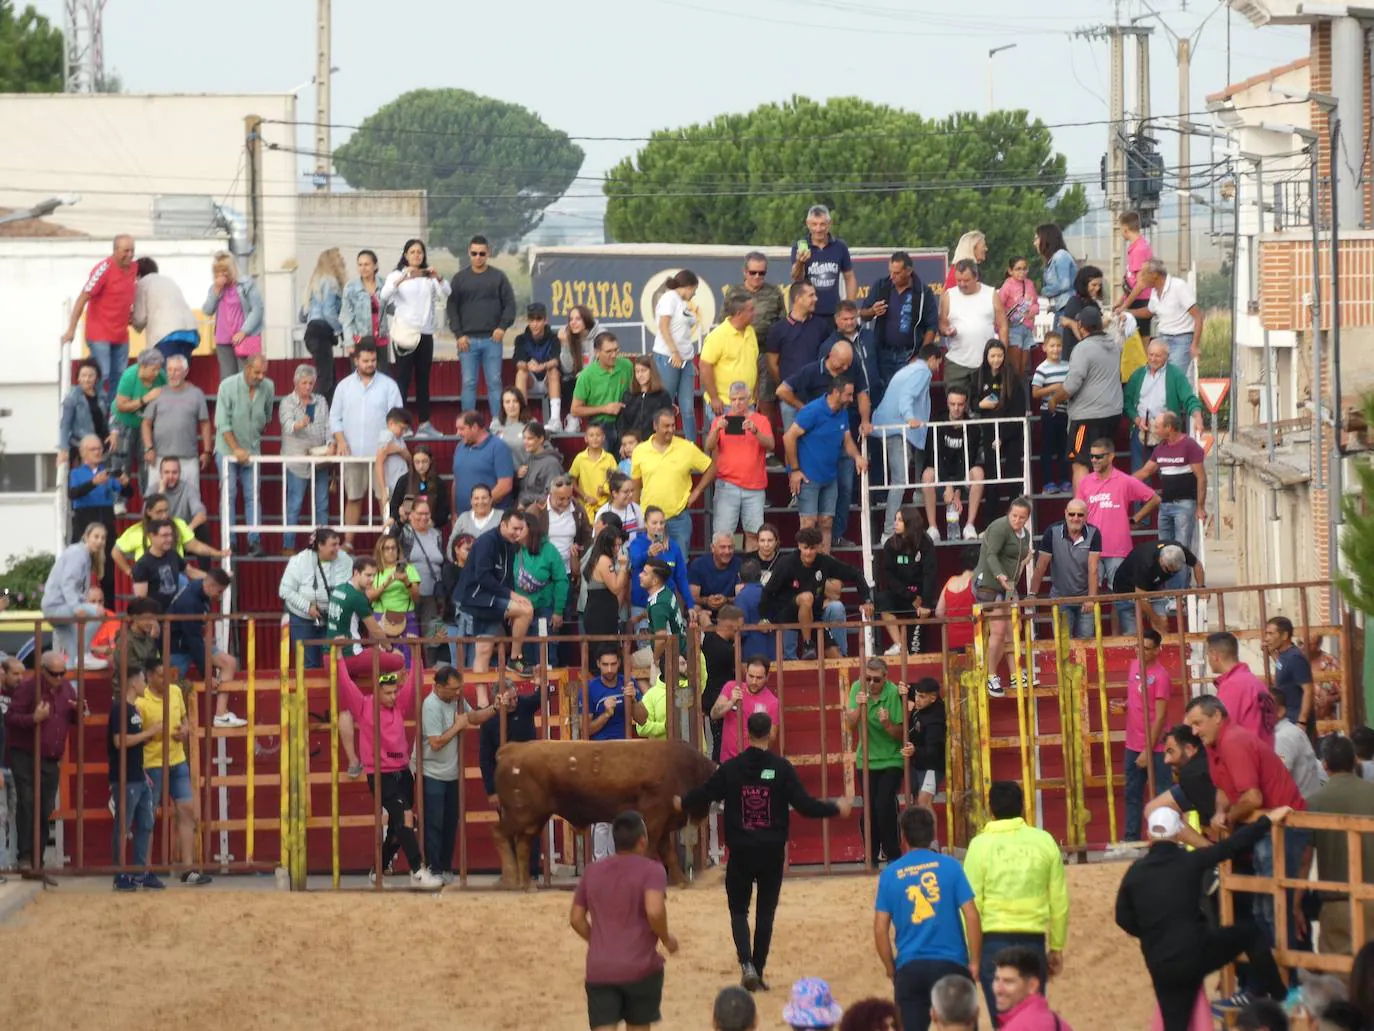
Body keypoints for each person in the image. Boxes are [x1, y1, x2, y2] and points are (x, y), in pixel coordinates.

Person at [678, 711, 850, 991]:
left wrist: (681, 802)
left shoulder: (731, 768)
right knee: (765, 914)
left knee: (738, 910)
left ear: (747, 734)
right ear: (770, 733)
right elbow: (805, 806)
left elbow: (705, 794)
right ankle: (757, 968)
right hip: (771, 851)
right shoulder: (781, 768)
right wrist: (835, 808)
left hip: (741, 850)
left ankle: (745, 964)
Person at [1115, 803, 1293, 1031]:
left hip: (1159, 962)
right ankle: (1281, 997)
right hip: (1196, 953)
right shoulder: (1190, 861)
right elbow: (1231, 846)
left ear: (1149, 834)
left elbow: (1122, 918)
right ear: (1179, 833)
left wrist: (1151, 932)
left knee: (1175, 1024)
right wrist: (1267, 820)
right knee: (1251, 932)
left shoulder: (1135, 872)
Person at [1185, 694, 1309, 975]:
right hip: (1270, 828)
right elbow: (1223, 790)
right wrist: (1221, 812)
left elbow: (1252, 798)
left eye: (1198, 723)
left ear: (1217, 716)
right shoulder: (1219, 744)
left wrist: (1226, 818)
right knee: (1268, 907)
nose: (1194, 731)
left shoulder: (1232, 742)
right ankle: (1276, 982)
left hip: (1282, 828)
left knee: (1272, 908)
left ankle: (1285, 982)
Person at [963, 782, 1068, 1025]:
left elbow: (970, 907)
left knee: (1004, 1023)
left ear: (991, 809)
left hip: (992, 943)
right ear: (1023, 807)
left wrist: (974, 955)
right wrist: (1057, 946)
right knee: (1033, 1021)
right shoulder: (1044, 841)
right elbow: (1059, 900)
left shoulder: (979, 846)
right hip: (1033, 942)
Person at [336, 661, 444, 888]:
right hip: (381, 775)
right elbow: (346, 685)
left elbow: (413, 683)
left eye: (395, 692)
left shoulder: (399, 706)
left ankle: (377, 873)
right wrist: (338, 659)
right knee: (405, 818)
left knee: (399, 827)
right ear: (377, 691)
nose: (393, 697)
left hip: (403, 773)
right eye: (388, 693)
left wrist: (417, 656)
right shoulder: (364, 706)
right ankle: (418, 870)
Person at [569, 810, 679, 1031]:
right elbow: (655, 911)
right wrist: (667, 939)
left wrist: (598, 939)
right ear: (642, 841)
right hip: (640, 967)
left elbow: (576, 919)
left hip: (600, 967)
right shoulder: (652, 870)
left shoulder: (592, 871)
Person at [875, 806, 982, 1031]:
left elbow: (880, 929)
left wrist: (890, 968)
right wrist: (975, 961)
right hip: (952, 965)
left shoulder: (890, 874)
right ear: (933, 835)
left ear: (903, 836)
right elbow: (971, 915)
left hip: (910, 967)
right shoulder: (951, 866)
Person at [135, 661, 212, 885]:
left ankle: (188, 869)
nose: (165, 680)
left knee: (186, 809)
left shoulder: (176, 691)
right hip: (152, 763)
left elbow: (185, 721)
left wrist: (186, 730)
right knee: (147, 816)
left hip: (177, 759)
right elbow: (136, 736)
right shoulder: (141, 702)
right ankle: (144, 870)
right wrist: (152, 733)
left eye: (166, 675)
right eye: (160, 676)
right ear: (149, 677)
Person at [1073, 437, 1159, 628]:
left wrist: (1135, 518)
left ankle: (1128, 646)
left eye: (1098, 457)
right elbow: (1076, 511)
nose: (1094, 460)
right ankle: (1088, 651)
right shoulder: (1086, 483)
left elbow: (1154, 498)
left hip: (1119, 551)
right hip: (1092, 551)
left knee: (1124, 604)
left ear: (1111, 456)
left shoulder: (1124, 480)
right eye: (1092, 457)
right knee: (1088, 603)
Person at [4, 653, 78, 871]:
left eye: (62, 673)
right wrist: (33, 719)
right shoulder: (28, 688)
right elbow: (10, 718)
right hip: (25, 754)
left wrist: (78, 712)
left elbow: (70, 717)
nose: (59, 677)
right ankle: (26, 857)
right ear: (43, 670)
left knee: (45, 807)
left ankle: (38, 857)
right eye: (55, 674)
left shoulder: (67, 689)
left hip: (50, 758)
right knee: (27, 804)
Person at [421, 665, 494, 884]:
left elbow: (473, 717)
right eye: (453, 689)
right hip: (432, 771)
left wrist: (495, 708)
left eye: (460, 688)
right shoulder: (430, 705)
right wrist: (458, 726)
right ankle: (434, 868)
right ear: (438, 687)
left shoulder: (456, 700)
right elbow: (435, 743)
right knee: (434, 823)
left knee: (450, 821)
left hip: (451, 772)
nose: (458, 693)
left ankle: (443, 867)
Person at [330, 339, 404, 550]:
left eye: (373, 360)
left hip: (382, 455)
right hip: (352, 453)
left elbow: (397, 419)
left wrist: (387, 445)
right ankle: (348, 543)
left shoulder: (389, 385)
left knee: (385, 499)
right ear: (356, 360)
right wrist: (341, 440)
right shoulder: (344, 386)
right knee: (353, 497)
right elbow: (334, 418)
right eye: (366, 360)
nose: (370, 364)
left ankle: (388, 543)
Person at [1305, 735, 1374, 955]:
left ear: (1324, 764)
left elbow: (1305, 859)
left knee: (1338, 977)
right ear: (1355, 760)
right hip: (1372, 895)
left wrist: (1295, 901)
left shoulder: (1314, 802)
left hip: (1336, 903)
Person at [761, 526, 871, 661]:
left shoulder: (824, 562)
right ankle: (808, 645)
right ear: (799, 546)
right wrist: (764, 618)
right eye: (805, 548)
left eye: (812, 549)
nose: (808, 553)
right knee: (807, 597)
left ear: (819, 547)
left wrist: (867, 600)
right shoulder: (786, 563)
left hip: (813, 617)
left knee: (838, 658)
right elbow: (768, 591)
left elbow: (854, 573)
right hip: (787, 614)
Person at [784, 378, 868, 554]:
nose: (851, 399)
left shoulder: (842, 411)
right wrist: (795, 470)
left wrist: (857, 457)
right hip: (808, 477)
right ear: (836, 393)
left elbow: (847, 440)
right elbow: (788, 437)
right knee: (808, 524)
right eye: (848, 395)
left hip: (830, 477)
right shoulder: (812, 411)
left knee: (827, 522)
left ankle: (824, 566)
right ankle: (806, 569)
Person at [454, 510, 535, 681]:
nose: (518, 533)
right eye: (515, 528)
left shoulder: (511, 544)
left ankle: (482, 702)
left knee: (483, 650)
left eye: (521, 529)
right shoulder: (486, 542)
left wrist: (510, 597)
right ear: (503, 524)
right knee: (526, 610)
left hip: (491, 599)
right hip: (478, 598)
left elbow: (508, 578)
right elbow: (483, 576)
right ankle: (514, 659)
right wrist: (511, 596)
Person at [872, 346, 943, 541]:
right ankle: (888, 531)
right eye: (938, 362)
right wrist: (910, 417)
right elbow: (907, 398)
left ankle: (919, 492)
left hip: (889, 426)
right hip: (898, 428)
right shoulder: (922, 371)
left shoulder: (908, 369)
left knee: (901, 477)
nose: (938, 367)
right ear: (932, 359)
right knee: (900, 480)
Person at [61, 234, 137, 411]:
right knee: (102, 375)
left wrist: (131, 312)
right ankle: (95, 411)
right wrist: (71, 329)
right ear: (115, 250)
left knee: (120, 378)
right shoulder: (104, 269)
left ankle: (112, 416)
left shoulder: (134, 268)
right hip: (99, 334)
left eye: (132, 250)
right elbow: (82, 298)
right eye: (126, 250)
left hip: (121, 334)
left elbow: (129, 293)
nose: (130, 254)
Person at [1051, 307, 1124, 489]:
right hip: (1112, 415)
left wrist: (1054, 400)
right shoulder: (1114, 346)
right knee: (1104, 464)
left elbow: (1071, 385)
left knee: (1080, 462)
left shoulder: (1082, 349)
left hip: (1086, 419)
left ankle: (1081, 513)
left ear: (1081, 326)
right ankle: (1105, 510)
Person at [384, 238, 451, 436]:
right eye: (412, 252)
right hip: (405, 334)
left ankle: (424, 423)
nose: (416, 255)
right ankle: (401, 424)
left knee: (423, 380)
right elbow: (385, 295)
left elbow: (446, 292)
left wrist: (437, 277)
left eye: (419, 252)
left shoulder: (428, 277)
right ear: (405, 255)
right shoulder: (397, 274)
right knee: (403, 379)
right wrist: (402, 278)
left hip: (425, 333)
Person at [1113, 628, 1173, 843]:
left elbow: (1160, 716)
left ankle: (1163, 839)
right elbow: (1140, 701)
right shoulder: (1134, 666)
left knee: (1161, 795)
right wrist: (1126, 705)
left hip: (1155, 748)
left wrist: (1147, 749)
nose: (1141, 652)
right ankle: (1131, 840)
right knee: (1132, 794)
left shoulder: (1161, 676)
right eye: (1139, 647)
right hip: (1133, 744)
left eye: (1147, 648)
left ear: (1157, 650)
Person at [845, 658, 907, 866]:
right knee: (869, 809)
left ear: (885, 678)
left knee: (883, 804)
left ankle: (893, 854)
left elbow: (901, 734)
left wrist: (887, 724)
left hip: (891, 758)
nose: (871, 684)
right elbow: (850, 725)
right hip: (867, 759)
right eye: (867, 679)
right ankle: (871, 854)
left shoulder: (892, 693)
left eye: (876, 680)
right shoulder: (857, 688)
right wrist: (860, 708)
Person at [448, 234, 516, 420]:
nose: (478, 257)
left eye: (482, 253)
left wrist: (502, 327)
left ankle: (497, 422)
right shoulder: (459, 279)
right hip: (466, 341)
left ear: (488, 253)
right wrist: (458, 334)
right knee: (469, 382)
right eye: (474, 253)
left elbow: (510, 304)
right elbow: (451, 308)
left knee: (495, 382)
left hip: (492, 340)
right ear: (469, 253)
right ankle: (468, 423)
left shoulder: (498, 277)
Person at [631, 407, 715, 557]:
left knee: (680, 564)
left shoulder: (686, 447)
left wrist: (697, 492)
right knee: (654, 565)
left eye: (673, 425)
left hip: (678, 518)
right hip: (650, 521)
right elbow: (636, 485)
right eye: (666, 426)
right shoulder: (640, 451)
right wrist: (636, 514)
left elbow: (711, 467)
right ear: (655, 426)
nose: (670, 429)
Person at [973, 498, 1035, 698]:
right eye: (1014, 515)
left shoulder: (1025, 535)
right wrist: (1000, 575)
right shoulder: (999, 527)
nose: (1017, 520)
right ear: (1009, 513)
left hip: (1009, 586)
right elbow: (991, 555)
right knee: (998, 631)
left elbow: (1017, 558)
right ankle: (991, 675)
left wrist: (1024, 562)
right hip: (990, 584)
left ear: (1027, 519)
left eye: (1021, 517)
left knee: (1012, 631)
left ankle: (1016, 673)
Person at [165, 569, 243, 728]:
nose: (220, 595)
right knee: (169, 690)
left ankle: (221, 715)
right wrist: (207, 675)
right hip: (176, 648)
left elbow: (202, 630)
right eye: (220, 591)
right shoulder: (190, 602)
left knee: (229, 663)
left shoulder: (202, 591)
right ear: (211, 585)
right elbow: (193, 642)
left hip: (193, 641)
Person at [108, 660, 162, 891]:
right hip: (125, 777)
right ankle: (120, 874)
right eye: (142, 679)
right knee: (124, 825)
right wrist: (149, 732)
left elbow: (133, 741)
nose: (144, 683)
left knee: (146, 824)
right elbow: (120, 742)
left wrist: (146, 736)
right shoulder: (120, 708)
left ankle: (141, 872)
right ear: (133, 682)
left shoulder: (132, 710)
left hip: (138, 775)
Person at [215, 353, 275, 557]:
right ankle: (229, 541)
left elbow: (267, 416)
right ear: (247, 368)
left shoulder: (268, 386)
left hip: (252, 449)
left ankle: (254, 541)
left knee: (253, 496)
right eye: (257, 372)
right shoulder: (227, 386)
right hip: (226, 450)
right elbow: (222, 423)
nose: (261, 377)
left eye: (263, 373)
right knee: (229, 494)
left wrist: (253, 440)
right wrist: (236, 449)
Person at [1134, 411, 1207, 579]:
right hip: (1165, 506)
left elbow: (1201, 478)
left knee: (1180, 551)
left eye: (1158, 427)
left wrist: (1200, 507)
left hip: (1185, 505)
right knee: (1165, 552)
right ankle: (1171, 595)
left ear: (1169, 428)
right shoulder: (1160, 448)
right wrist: (1120, 481)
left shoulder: (1190, 446)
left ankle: (1180, 596)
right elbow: (1145, 472)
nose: (1154, 429)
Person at [725, 252, 787, 439]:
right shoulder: (734, 293)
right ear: (744, 272)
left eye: (762, 273)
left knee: (767, 399)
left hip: (766, 352)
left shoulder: (774, 292)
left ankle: (768, 449)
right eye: (753, 272)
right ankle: (737, 440)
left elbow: (782, 323)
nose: (757, 277)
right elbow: (724, 322)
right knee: (739, 398)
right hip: (740, 353)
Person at [706, 382, 773, 551]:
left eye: (741, 399)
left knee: (753, 534)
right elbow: (708, 446)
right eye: (734, 399)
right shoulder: (719, 421)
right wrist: (716, 430)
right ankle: (726, 575)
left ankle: (750, 572)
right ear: (729, 400)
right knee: (723, 536)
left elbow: (771, 445)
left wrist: (756, 431)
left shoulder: (761, 420)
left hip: (754, 487)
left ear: (749, 398)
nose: (737, 403)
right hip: (727, 485)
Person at [279, 528, 354, 669]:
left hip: (333, 616)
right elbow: (285, 590)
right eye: (333, 545)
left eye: (339, 543)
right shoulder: (299, 560)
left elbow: (348, 588)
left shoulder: (345, 560)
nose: (338, 548)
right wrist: (307, 607)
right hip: (301, 616)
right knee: (308, 664)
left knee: (333, 662)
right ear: (320, 545)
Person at [1124, 342, 1205, 470]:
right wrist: (1137, 419)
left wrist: (1197, 416)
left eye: (1158, 356)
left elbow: (1189, 398)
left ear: (1167, 356)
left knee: (1168, 473)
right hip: (1141, 428)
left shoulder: (1175, 375)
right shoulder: (1138, 375)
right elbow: (1127, 402)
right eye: (1150, 355)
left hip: (1166, 430)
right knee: (1140, 473)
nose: (1153, 359)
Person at [276, 365, 333, 551]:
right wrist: (298, 424)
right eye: (304, 383)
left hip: (320, 459)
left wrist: (331, 443)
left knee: (322, 504)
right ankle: (288, 545)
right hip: (297, 460)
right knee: (294, 504)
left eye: (311, 383)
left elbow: (328, 426)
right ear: (296, 383)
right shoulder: (287, 402)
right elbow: (286, 425)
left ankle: (321, 544)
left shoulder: (321, 401)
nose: (308, 387)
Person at [865, 251, 941, 389]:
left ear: (908, 271)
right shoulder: (882, 286)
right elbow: (863, 313)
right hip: (883, 354)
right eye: (890, 272)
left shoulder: (923, 292)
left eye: (897, 273)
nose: (892, 276)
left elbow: (932, 326)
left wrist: (921, 356)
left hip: (909, 355)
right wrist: (872, 311)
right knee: (884, 395)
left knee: (907, 395)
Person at [1028, 500, 1101, 640]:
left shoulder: (1094, 533)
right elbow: (1041, 566)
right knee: (1062, 644)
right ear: (1065, 514)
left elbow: (1093, 568)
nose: (1075, 518)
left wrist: (1091, 598)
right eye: (1072, 514)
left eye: (1080, 515)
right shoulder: (1052, 532)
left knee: (1086, 644)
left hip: (1085, 597)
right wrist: (1032, 594)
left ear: (1086, 516)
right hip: (1060, 597)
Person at [139, 352, 210, 495]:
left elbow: (205, 424)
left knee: (191, 500)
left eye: (177, 370)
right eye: (169, 370)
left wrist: (207, 451)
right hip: (159, 460)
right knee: (155, 502)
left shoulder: (197, 394)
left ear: (186, 371)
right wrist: (148, 448)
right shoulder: (157, 393)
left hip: (188, 459)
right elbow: (146, 423)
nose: (173, 374)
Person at [41, 523, 110, 670]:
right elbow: (68, 583)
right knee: (98, 612)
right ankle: (84, 653)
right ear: (86, 537)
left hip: (58, 607)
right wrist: (76, 606)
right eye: (96, 537)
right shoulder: (77, 553)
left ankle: (73, 690)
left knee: (72, 663)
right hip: (57, 606)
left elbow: (78, 588)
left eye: (103, 538)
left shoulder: (84, 556)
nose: (99, 541)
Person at [921, 386, 985, 541]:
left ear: (966, 405)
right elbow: (935, 457)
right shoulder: (936, 423)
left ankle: (969, 525)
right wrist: (947, 485)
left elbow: (967, 459)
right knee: (927, 474)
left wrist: (956, 490)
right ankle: (933, 527)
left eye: (960, 404)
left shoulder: (972, 428)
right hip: (941, 472)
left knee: (978, 473)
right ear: (947, 403)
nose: (956, 408)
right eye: (952, 404)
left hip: (962, 473)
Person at [939, 258, 1008, 401]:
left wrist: (1003, 354)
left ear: (976, 277)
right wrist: (946, 330)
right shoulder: (949, 295)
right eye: (958, 281)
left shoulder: (991, 294)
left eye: (966, 280)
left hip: (985, 363)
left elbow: (1003, 326)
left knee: (984, 406)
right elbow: (942, 323)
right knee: (955, 406)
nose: (962, 284)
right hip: (957, 362)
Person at [766, 282, 830, 434]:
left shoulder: (821, 325)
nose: (816, 299)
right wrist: (786, 386)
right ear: (797, 298)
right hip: (790, 400)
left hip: (817, 397)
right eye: (811, 295)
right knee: (791, 443)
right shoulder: (777, 329)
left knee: (817, 440)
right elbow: (772, 364)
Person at [66, 434, 124, 602]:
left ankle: (109, 615)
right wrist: (93, 483)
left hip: (105, 521)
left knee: (108, 574)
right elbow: (73, 493)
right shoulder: (75, 473)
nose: (98, 452)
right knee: (79, 569)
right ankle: (78, 610)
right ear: (83, 453)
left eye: (99, 448)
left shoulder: (107, 472)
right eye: (93, 449)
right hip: (84, 522)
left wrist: (125, 483)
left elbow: (127, 492)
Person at [875, 507, 937, 656]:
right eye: (895, 519)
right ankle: (899, 645)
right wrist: (908, 595)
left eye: (900, 520)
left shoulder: (925, 543)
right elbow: (889, 575)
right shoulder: (890, 544)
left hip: (921, 595)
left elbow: (930, 573)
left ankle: (913, 647)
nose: (895, 523)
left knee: (916, 649)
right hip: (901, 594)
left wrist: (925, 602)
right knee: (882, 599)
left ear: (910, 523)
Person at [1113, 541, 1206, 635]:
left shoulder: (1177, 551)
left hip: (1153, 587)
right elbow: (1141, 597)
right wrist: (1156, 619)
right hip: (1126, 589)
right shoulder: (1146, 563)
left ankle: (1162, 645)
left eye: (1175, 571)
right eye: (1168, 570)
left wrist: (1201, 588)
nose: (1170, 574)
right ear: (1161, 560)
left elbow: (1196, 564)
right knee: (1132, 633)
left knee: (1162, 623)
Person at [1129, 258, 1204, 374]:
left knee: (1175, 377)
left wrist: (1194, 345)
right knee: (1160, 376)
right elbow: (1150, 311)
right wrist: (1128, 312)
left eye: (1144, 274)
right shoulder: (1154, 291)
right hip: (1163, 337)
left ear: (1154, 275)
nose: (1141, 277)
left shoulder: (1179, 286)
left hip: (1181, 339)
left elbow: (1198, 316)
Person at [110, 347, 166, 497]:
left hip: (146, 424)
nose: (156, 373)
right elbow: (121, 406)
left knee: (146, 463)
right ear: (142, 366)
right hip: (123, 421)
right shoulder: (129, 376)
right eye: (153, 369)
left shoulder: (161, 376)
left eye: (158, 369)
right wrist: (145, 399)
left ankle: (148, 499)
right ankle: (119, 501)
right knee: (122, 462)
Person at [202, 250, 265, 381]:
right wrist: (216, 291)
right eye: (217, 271)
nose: (221, 275)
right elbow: (207, 310)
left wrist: (244, 331)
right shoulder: (214, 289)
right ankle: (229, 402)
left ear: (232, 269)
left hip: (244, 339)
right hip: (223, 340)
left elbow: (257, 309)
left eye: (224, 270)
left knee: (246, 377)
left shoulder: (246, 284)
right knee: (227, 379)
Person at [791, 204, 856, 329]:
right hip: (809, 313)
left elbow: (850, 277)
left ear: (829, 224)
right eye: (814, 224)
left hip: (833, 313)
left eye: (822, 224)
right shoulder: (800, 246)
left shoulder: (840, 246)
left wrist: (850, 306)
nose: (818, 229)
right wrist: (800, 262)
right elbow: (796, 278)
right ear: (808, 224)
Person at [1205, 632, 1275, 746]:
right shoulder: (1255, 682)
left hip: (1245, 756)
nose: (1208, 660)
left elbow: (1222, 730)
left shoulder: (1232, 685)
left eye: (1208, 655)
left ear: (1214, 654)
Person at [571, 331, 635, 454]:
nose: (614, 355)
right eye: (608, 351)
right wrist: (605, 409)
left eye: (616, 350)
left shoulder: (626, 365)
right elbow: (575, 409)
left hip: (624, 423)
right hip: (599, 425)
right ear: (597, 352)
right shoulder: (586, 376)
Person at [709, 656, 780, 763]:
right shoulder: (731, 687)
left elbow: (771, 738)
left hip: (752, 763)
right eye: (751, 676)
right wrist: (731, 702)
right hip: (728, 761)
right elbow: (714, 714)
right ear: (745, 672)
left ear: (767, 677)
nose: (754, 681)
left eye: (759, 678)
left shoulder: (772, 702)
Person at [701, 292, 760, 416]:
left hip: (748, 403)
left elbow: (753, 364)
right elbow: (705, 366)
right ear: (739, 313)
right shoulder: (718, 335)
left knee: (746, 436)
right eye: (751, 310)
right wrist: (714, 398)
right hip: (725, 405)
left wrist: (755, 393)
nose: (755, 313)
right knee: (724, 436)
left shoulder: (751, 331)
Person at [301, 247, 347, 402]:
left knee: (329, 376)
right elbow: (328, 312)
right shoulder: (330, 281)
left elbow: (303, 314)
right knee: (326, 378)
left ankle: (328, 413)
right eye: (338, 258)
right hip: (321, 331)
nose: (342, 260)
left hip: (312, 331)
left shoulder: (314, 281)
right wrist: (341, 330)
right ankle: (319, 413)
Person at [131, 519, 207, 611]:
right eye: (164, 536)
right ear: (152, 536)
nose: (170, 539)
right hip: (157, 616)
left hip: (175, 612)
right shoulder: (142, 565)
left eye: (171, 535)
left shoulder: (173, 554)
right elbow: (141, 601)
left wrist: (212, 577)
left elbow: (191, 571)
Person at [991, 947, 1074, 1031]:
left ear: (1032, 986)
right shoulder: (1058, 1022)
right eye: (997, 979)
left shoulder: (1016, 1027)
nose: (998, 990)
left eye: (1008, 982)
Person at [513, 302, 566, 432]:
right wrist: (528, 365)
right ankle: (523, 419)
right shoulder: (520, 339)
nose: (535, 324)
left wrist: (543, 366)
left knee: (553, 371)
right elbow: (518, 362)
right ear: (528, 321)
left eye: (538, 320)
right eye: (532, 320)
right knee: (521, 373)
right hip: (530, 382)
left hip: (549, 381)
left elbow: (556, 361)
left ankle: (555, 420)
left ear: (545, 320)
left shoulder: (554, 337)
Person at [1030, 332, 1072, 494]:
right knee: (1047, 449)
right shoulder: (1042, 369)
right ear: (1044, 348)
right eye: (1052, 346)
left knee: (1064, 448)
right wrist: (1053, 388)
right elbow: (1035, 392)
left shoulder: (1067, 366)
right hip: (1049, 413)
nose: (1056, 349)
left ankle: (1064, 479)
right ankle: (1048, 481)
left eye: (1058, 345)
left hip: (1066, 413)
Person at [452, 409, 515, 515]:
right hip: (462, 517)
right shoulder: (459, 447)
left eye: (462, 429)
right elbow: (456, 482)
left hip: (490, 517)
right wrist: (454, 513)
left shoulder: (499, 447)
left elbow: (505, 485)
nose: (458, 433)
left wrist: (479, 509)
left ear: (475, 427)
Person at [58, 358, 116, 472]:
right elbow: (65, 425)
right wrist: (63, 449)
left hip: (101, 446)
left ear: (97, 377)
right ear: (78, 377)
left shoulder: (102, 394)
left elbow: (111, 415)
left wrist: (114, 431)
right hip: (82, 447)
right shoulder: (72, 398)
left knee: (103, 482)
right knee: (86, 482)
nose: (87, 379)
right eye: (83, 375)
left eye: (91, 375)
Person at [1265, 617, 1316, 742]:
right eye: (1266, 634)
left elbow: (1308, 690)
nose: (1267, 638)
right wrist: (1272, 653)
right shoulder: (1284, 656)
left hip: (1296, 722)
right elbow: (1283, 668)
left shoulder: (1295, 658)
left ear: (1284, 635)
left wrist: (1302, 722)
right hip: (1287, 720)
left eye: (1271, 634)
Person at [342, 248, 391, 372]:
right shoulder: (351, 287)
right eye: (360, 265)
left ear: (375, 266)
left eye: (367, 264)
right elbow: (346, 317)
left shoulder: (385, 284)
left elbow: (393, 308)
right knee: (361, 376)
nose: (363, 268)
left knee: (382, 375)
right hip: (361, 339)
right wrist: (349, 341)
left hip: (381, 339)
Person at [900, 678, 946, 808]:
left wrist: (915, 751)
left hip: (931, 766)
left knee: (923, 802)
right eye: (916, 695)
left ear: (933, 698)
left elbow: (933, 752)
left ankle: (928, 829)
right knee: (918, 803)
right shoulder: (924, 698)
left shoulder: (935, 720)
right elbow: (912, 687)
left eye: (921, 697)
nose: (917, 699)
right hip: (918, 761)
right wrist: (905, 689)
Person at [1268, 690, 1322, 799]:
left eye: (1266, 708)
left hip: (1301, 811)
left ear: (1281, 711)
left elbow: (1278, 782)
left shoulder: (1282, 738)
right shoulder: (1290, 731)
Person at [997, 256, 1040, 380]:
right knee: (1014, 368)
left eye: (1024, 269)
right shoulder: (1007, 286)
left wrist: (1031, 311)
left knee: (1023, 367)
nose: (1022, 272)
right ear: (1010, 271)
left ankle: (1021, 394)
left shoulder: (1030, 284)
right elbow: (999, 306)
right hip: (1013, 328)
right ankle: (1014, 394)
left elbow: (1036, 304)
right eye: (1018, 269)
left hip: (1027, 328)